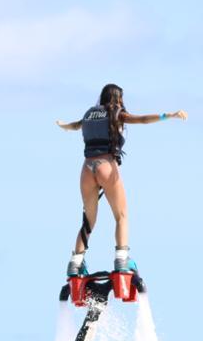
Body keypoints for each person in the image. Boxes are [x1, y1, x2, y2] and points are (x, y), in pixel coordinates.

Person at [56, 84, 186, 276]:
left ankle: (75, 263)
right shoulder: (115, 112)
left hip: (86, 169)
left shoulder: (89, 114)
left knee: (88, 222)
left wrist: (63, 126)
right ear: (116, 98)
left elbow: (75, 126)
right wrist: (169, 115)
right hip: (106, 166)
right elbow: (141, 120)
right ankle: (121, 259)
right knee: (121, 216)